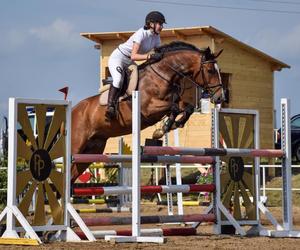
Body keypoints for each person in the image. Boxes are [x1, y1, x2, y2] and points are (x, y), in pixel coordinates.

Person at [105, 11, 166, 119]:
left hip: (129, 62)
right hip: (119, 58)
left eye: (162, 24)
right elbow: (133, 56)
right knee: (118, 79)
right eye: (160, 24)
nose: (161, 27)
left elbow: (159, 53)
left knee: (140, 79)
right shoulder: (141, 33)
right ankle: (110, 106)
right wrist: (150, 57)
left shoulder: (156, 37)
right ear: (151, 24)